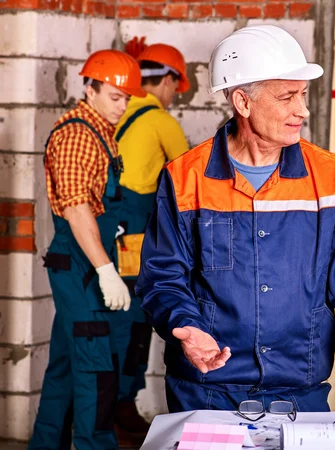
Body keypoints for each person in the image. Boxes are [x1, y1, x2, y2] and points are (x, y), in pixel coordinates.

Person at [136, 24, 335, 414]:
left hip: (299, 396)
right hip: (206, 393)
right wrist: (186, 326)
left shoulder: (331, 179)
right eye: (287, 96)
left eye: (303, 95)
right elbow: (163, 276)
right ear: (242, 102)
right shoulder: (185, 179)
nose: (303, 110)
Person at [29, 50, 145, 450]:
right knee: (97, 370)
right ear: (89, 88)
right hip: (81, 263)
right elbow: (78, 210)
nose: (123, 105)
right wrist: (105, 270)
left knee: (65, 367)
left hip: (88, 261)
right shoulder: (78, 134)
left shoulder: (100, 131)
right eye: (115, 96)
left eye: (127, 98)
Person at [112, 42, 190, 439]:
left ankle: (107, 409)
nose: (177, 93)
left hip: (107, 235)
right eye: (178, 85)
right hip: (136, 238)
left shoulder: (117, 107)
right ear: (170, 79)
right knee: (138, 319)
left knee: (109, 322)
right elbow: (192, 179)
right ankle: (123, 409)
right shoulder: (160, 120)